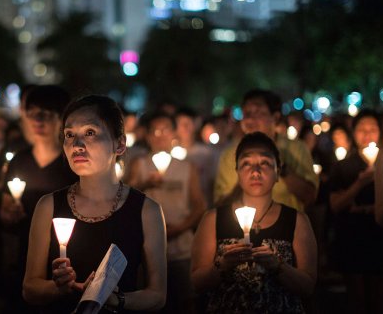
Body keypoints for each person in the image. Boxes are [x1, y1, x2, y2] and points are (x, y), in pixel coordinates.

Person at [23, 95, 167, 313]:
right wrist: (59, 288)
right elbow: (30, 288)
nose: (77, 145)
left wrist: (115, 299)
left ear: (119, 144)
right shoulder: (48, 206)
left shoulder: (146, 210)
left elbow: (157, 295)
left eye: (90, 133)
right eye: (69, 135)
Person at [191, 132, 317, 313]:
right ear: (237, 172)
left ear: (277, 172)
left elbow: (308, 287)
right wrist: (222, 266)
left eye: (265, 163)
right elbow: (197, 283)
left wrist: (278, 266)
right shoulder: (213, 219)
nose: (256, 172)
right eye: (246, 163)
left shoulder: (297, 220)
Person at [0, 85, 78, 311]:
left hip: (67, 258)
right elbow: (4, 213)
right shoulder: (19, 162)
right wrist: (9, 215)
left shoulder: (72, 163)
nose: (39, 122)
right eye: (33, 114)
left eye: (47, 114)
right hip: (26, 256)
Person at [126, 112, 206, 313]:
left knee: (185, 302)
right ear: (148, 136)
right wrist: (144, 183)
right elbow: (125, 197)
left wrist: (179, 228)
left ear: (174, 134)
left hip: (181, 250)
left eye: (165, 130)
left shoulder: (187, 167)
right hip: (146, 248)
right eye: (155, 131)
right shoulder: (140, 164)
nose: (160, 135)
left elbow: (199, 206)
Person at [214, 89, 318, 210]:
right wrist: (244, 179)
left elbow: (310, 197)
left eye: (258, 113)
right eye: (247, 113)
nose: (250, 119)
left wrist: (280, 168)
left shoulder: (296, 148)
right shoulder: (229, 155)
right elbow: (220, 206)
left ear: (275, 117)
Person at [329, 110, 383, 314]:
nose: (367, 134)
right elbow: (335, 205)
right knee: (357, 298)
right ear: (353, 133)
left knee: (380, 296)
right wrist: (360, 182)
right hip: (352, 236)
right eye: (362, 129)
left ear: (381, 132)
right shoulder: (343, 166)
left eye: (372, 129)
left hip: (381, 236)